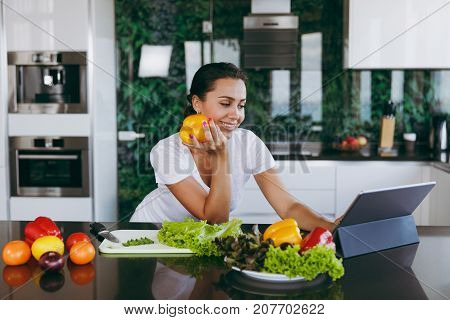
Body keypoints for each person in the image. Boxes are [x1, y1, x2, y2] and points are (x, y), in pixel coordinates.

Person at [131, 62, 339, 231]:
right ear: (197, 103)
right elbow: (214, 219)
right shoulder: (167, 151)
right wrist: (221, 157)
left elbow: (287, 205)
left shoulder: (249, 143)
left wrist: (329, 226)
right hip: (154, 235)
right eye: (225, 103)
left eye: (241, 105)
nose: (236, 115)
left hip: (203, 241)